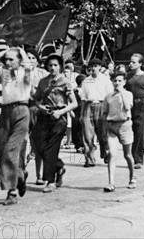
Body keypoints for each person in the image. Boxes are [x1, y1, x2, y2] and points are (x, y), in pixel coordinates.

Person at [0, 48, 32, 205]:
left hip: (21, 110)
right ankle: (19, 174)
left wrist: (19, 50)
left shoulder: (24, 73)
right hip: (5, 112)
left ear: (19, 60)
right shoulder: (3, 73)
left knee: (10, 150)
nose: (7, 62)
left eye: (11, 59)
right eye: (6, 59)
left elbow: (28, 65)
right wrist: (4, 51)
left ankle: (12, 192)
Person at [32, 54, 78, 193]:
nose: (52, 68)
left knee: (51, 148)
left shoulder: (65, 82)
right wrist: (40, 107)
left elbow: (74, 103)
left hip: (59, 117)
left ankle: (50, 181)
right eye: (50, 65)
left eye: (55, 65)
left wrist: (61, 111)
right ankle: (58, 166)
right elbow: (37, 99)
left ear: (60, 67)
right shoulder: (42, 82)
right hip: (44, 116)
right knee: (39, 148)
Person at [102, 72, 136, 192]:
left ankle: (132, 177)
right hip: (112, 126)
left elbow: (127, 108)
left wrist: (121, 93)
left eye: (119, 81)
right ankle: (111, 182)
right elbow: (105, 113)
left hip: (125, 125)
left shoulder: (128, 94)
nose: (117, 83)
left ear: (124, 82)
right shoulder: (108, 96)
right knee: (112, 153)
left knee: (127, 155)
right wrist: (105, 128)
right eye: (115, 81)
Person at [79, 58, 113, 167]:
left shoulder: (105, 79)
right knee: (87, 135)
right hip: (89, 106)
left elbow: (110, 96)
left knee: (103, 135)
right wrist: (81, 114)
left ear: (100, 67)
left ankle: (105, 152)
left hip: (102, 106)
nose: (93, 69)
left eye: (96, 66)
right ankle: (89, 159)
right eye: (92, 66)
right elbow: (83, 99)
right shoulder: (86, 81)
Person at [125, 54, 144, 169]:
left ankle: (138, 159)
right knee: (130, 132)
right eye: (130, 62)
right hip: (130, 105)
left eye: (134, 62)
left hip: (143, 105)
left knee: (140, 132)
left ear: (140, 64)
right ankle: (130, 156)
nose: (131, 64)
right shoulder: (128, 76)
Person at [26, 48, 49, 185]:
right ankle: (21, 171)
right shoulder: (20, 73)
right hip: (24, 108)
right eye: (28, 58)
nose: (30, 61)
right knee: (24, 141)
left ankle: (40, 174)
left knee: (39, 143)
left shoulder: (44, 74)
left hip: (40, 110)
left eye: (33, 58)